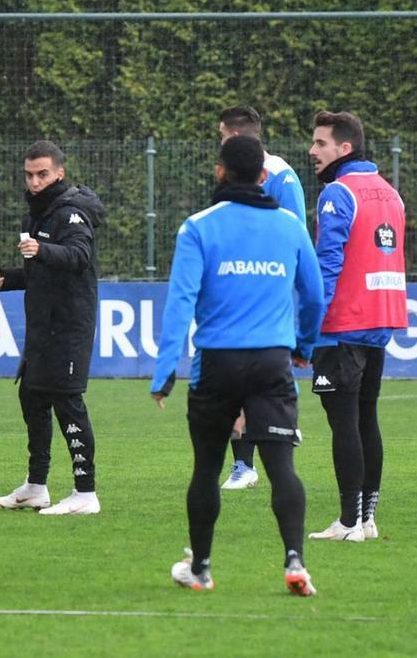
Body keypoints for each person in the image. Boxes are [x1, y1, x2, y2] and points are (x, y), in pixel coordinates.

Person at [151, 135, 324, 596]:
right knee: (282, 467)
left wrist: (166, 370)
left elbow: (180, 302)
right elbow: (314, 295)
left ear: (220, 172)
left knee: (207, 469)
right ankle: (295, 561)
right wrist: (303, 346)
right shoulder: (290, 225)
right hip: (272, 361)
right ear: (264, 177)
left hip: (216, 363)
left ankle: (202, 569)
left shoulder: (198, 227)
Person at [304, 111, 408, 543]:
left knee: (344, 422)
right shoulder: (390, 193)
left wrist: (310, 325)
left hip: (342, 324)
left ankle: (348, 522)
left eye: (320, 143)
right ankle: (365, 518)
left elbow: (327, 264)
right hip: (379, 320)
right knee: (366, 417)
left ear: (344, 149)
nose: (312, 151)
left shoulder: (337, 193)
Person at [0, 141, 105, 516]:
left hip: (69, 326)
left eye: (42, 174)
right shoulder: (34, 216)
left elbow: (79, 258)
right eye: (29, 174)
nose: (34, 182)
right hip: (43, 326)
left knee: (67, 401)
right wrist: (9, 278)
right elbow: (42, 271)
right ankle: (36, 486)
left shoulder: (71, 214)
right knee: (32, 397)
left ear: (59, 173)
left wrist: (41, 250)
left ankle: (85, 493)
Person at [215, 105, 307, 492]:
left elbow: (296, 237)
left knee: (259, 375)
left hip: (268, 294)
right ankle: (244, 465)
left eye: (221, 137)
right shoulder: (228, 176)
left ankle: (280, 429)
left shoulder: (282, 176)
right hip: (238, 290)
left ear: (234, 137)